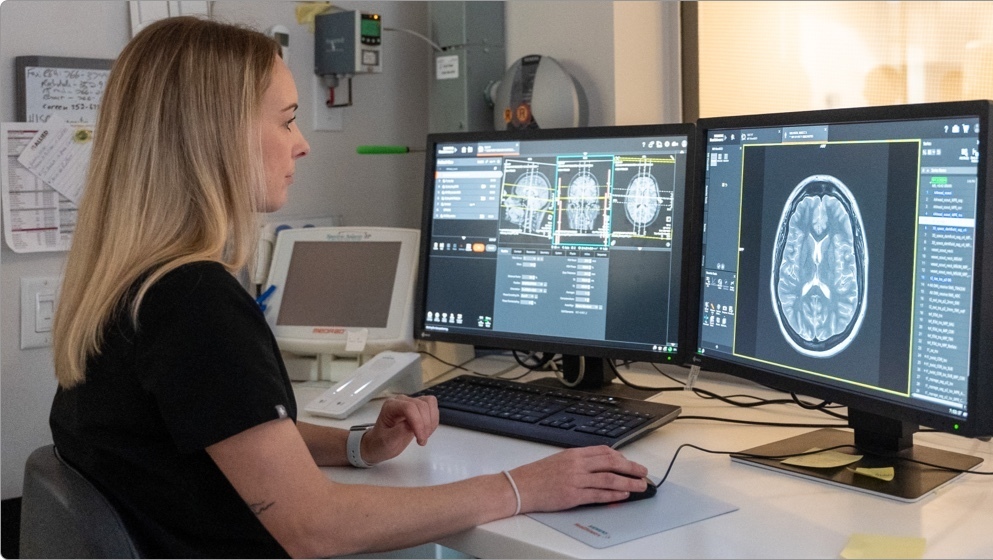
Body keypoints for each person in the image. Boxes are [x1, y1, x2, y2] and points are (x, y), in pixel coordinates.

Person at [50, 16, 649, 559]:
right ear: (216, 134)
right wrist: (522, 487)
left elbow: (219, 433)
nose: (303, 143)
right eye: (286, 119)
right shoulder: (192, 303)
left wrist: (358, 446)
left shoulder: (127, 286)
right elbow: (317, 528)